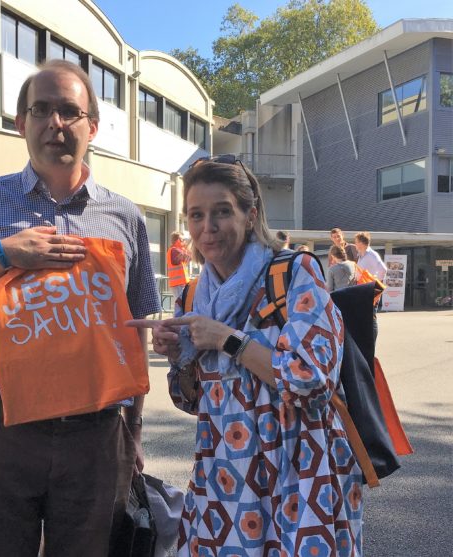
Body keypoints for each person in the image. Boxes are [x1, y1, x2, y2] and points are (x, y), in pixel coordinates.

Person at [0, 59, 159, 556]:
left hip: (95, 434)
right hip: (2, 429)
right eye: (42, 110)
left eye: (69, 111)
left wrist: (134, 428)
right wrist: (2, 256)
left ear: (92, 127)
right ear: (21, 123)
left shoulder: (125, 216)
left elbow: (136, 325)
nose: (56, 123)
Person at [128, 157, 363, 556]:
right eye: (196, 215)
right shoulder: (194, 295)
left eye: (222, 212)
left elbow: (312, 380)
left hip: (297, 467)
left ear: (250, 214)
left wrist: (227, 339)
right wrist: (179, 355)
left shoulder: (293, 271)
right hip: (225, 474)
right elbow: (192, 400)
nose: (208, 227)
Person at [355, 231, 387, 341]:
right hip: (363, 290)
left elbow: (383, 270)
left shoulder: (371, 255)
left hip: (370, 291)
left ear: (361, 243)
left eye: (356, 242)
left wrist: (376, 287)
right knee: (366, 317)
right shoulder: (361, 255)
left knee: (372, 317)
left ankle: (372, 343)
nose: (355, 244)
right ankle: (367, 340)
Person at [167, 230, 191, 299]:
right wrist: (188, 247)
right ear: (178, 240)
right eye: (182, 240)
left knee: (183, 303)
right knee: (181, 303)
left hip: (179, 283)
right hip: (178, 284)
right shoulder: (174, 250)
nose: (184, 241)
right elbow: (188, 257)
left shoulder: (175, 250)